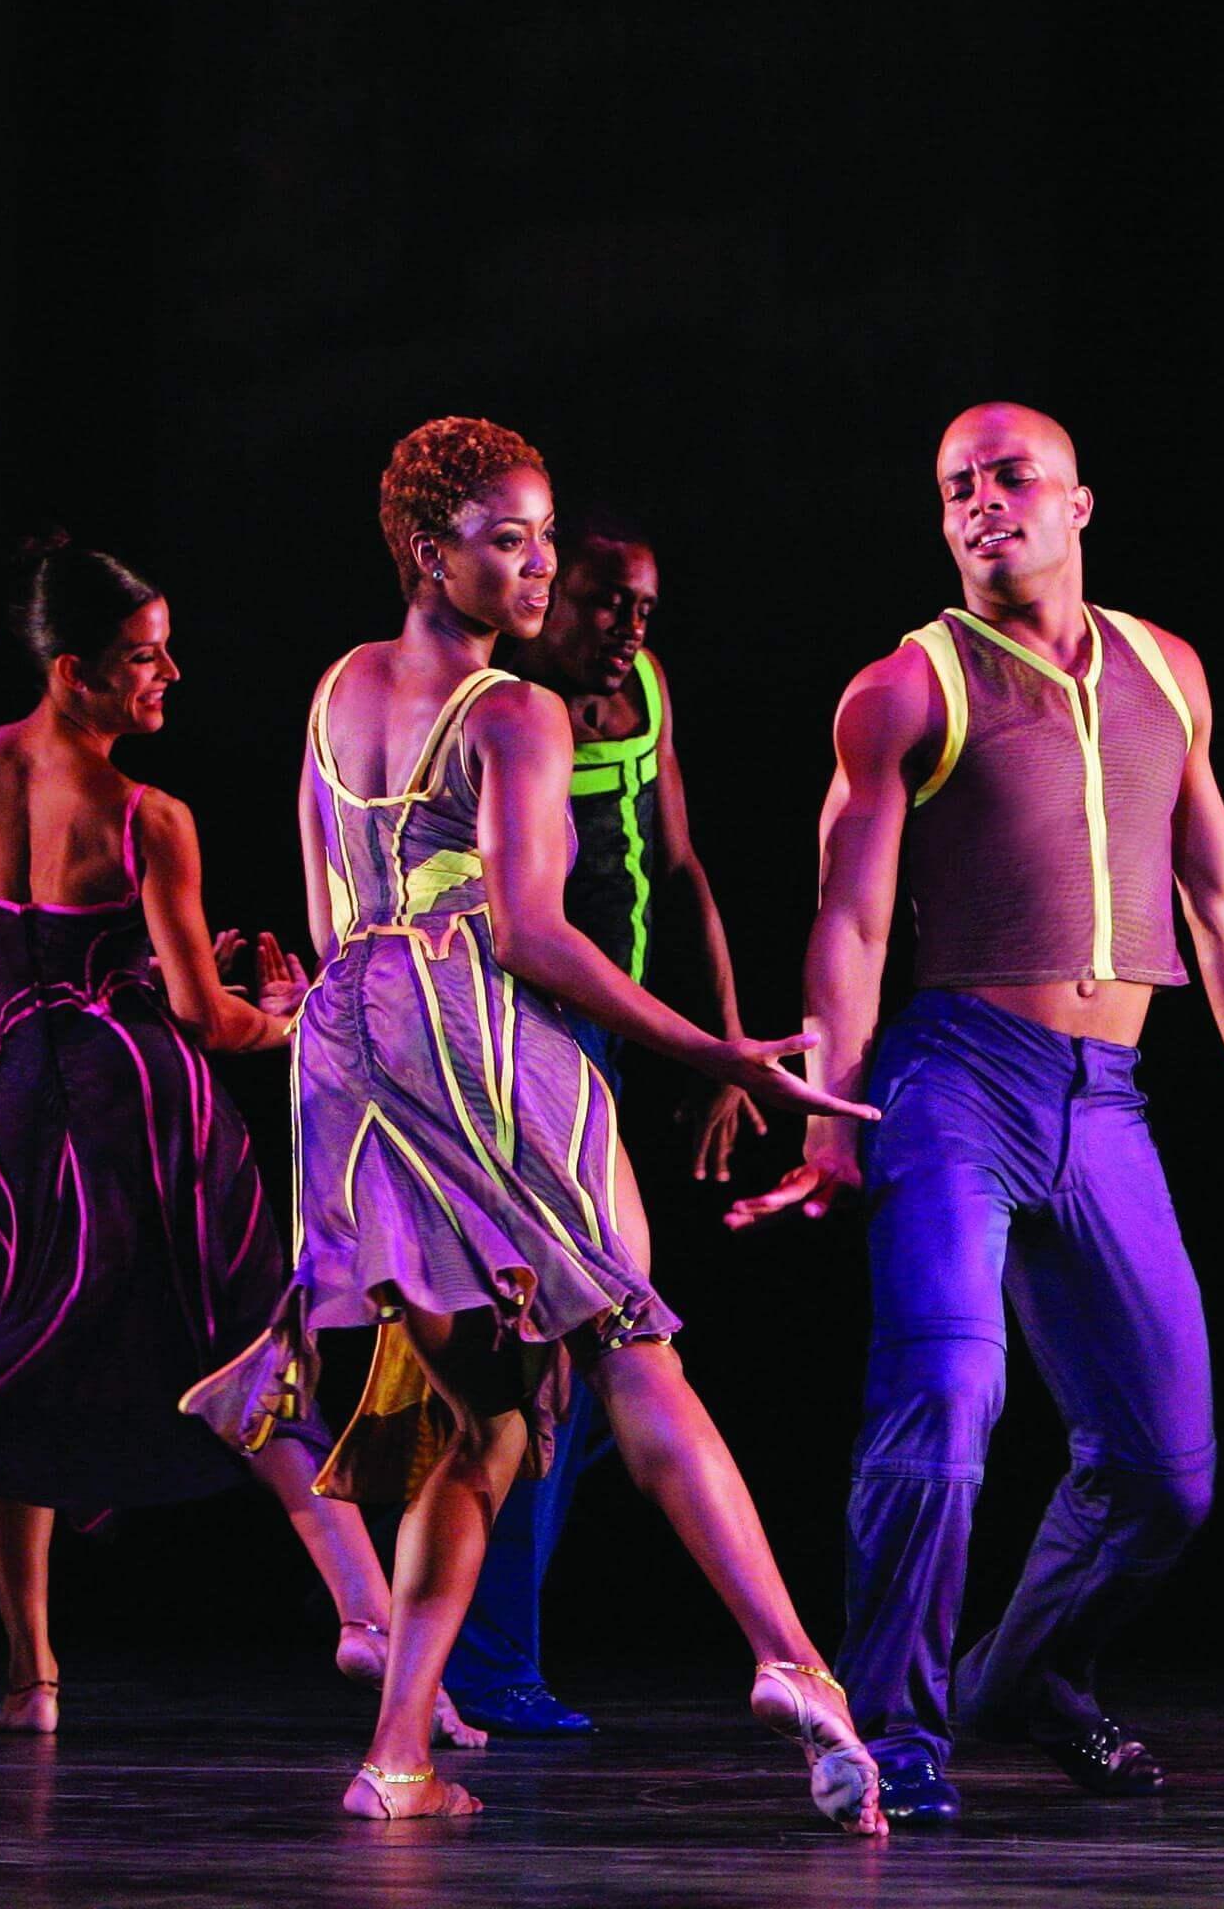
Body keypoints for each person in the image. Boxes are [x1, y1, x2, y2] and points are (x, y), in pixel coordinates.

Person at [200, 416, 884, 1828]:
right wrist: (723, 1052)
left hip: (350, 1064)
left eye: (543, 538)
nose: (535, 568)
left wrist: (310, 1012)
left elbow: (336, 923)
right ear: (424, 550)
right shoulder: (518, 714)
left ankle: (395, 1758)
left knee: (484, 1423)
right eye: (505, 540)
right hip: (482, 1054)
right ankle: (792, 1662)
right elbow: (530, 933)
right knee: (634, 1351)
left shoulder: (339, 689)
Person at [729, 402, 1224, 1824]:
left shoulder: (1168, 670)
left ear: (1082, 504)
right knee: (947, 1401)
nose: (984, 503)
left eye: (1014, 477)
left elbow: (1222, 904)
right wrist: (830, 1111)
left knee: (1167, 1472)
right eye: (958, 487)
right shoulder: (905, 686)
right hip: (953, 1079)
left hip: (1108, 1104)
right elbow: (852, 913)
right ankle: (893, 1739)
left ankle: (1028, 1672)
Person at [0, 535, 459, 1740]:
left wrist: (112, 979)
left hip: (5, 1110)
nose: (170, 675)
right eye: (143, 660)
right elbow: (208, 1021)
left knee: (11, 1360)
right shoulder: (150, 816)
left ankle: (32, 1677)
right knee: (251, 1344)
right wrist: (289, 1013)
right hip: (140, 1107)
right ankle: (366, 1621)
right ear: (73, 670)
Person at [440, 511, 762, 1736]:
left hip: (609, 1048)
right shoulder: (501, 712)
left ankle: (492, 1654)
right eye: (602, 605)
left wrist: (725, 1050)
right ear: (543, 595)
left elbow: (677, 869)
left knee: (587, 1358)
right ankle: (483, 1662)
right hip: (515, 1052)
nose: (626, 630)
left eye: (642, 609)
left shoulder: (644, 693)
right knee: (551, 1359)